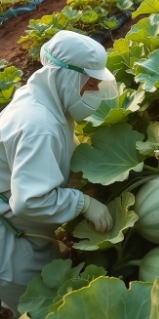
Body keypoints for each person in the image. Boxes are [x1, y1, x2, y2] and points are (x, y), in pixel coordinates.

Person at [0, 30, 118, 318]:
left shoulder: (43, 98)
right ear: (65, 76)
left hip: (23, 227)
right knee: (37, 305)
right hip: (9, 242)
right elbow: (29, 201)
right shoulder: (38, 126)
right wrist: (84, 203)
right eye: (89, 85)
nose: (94, 92)